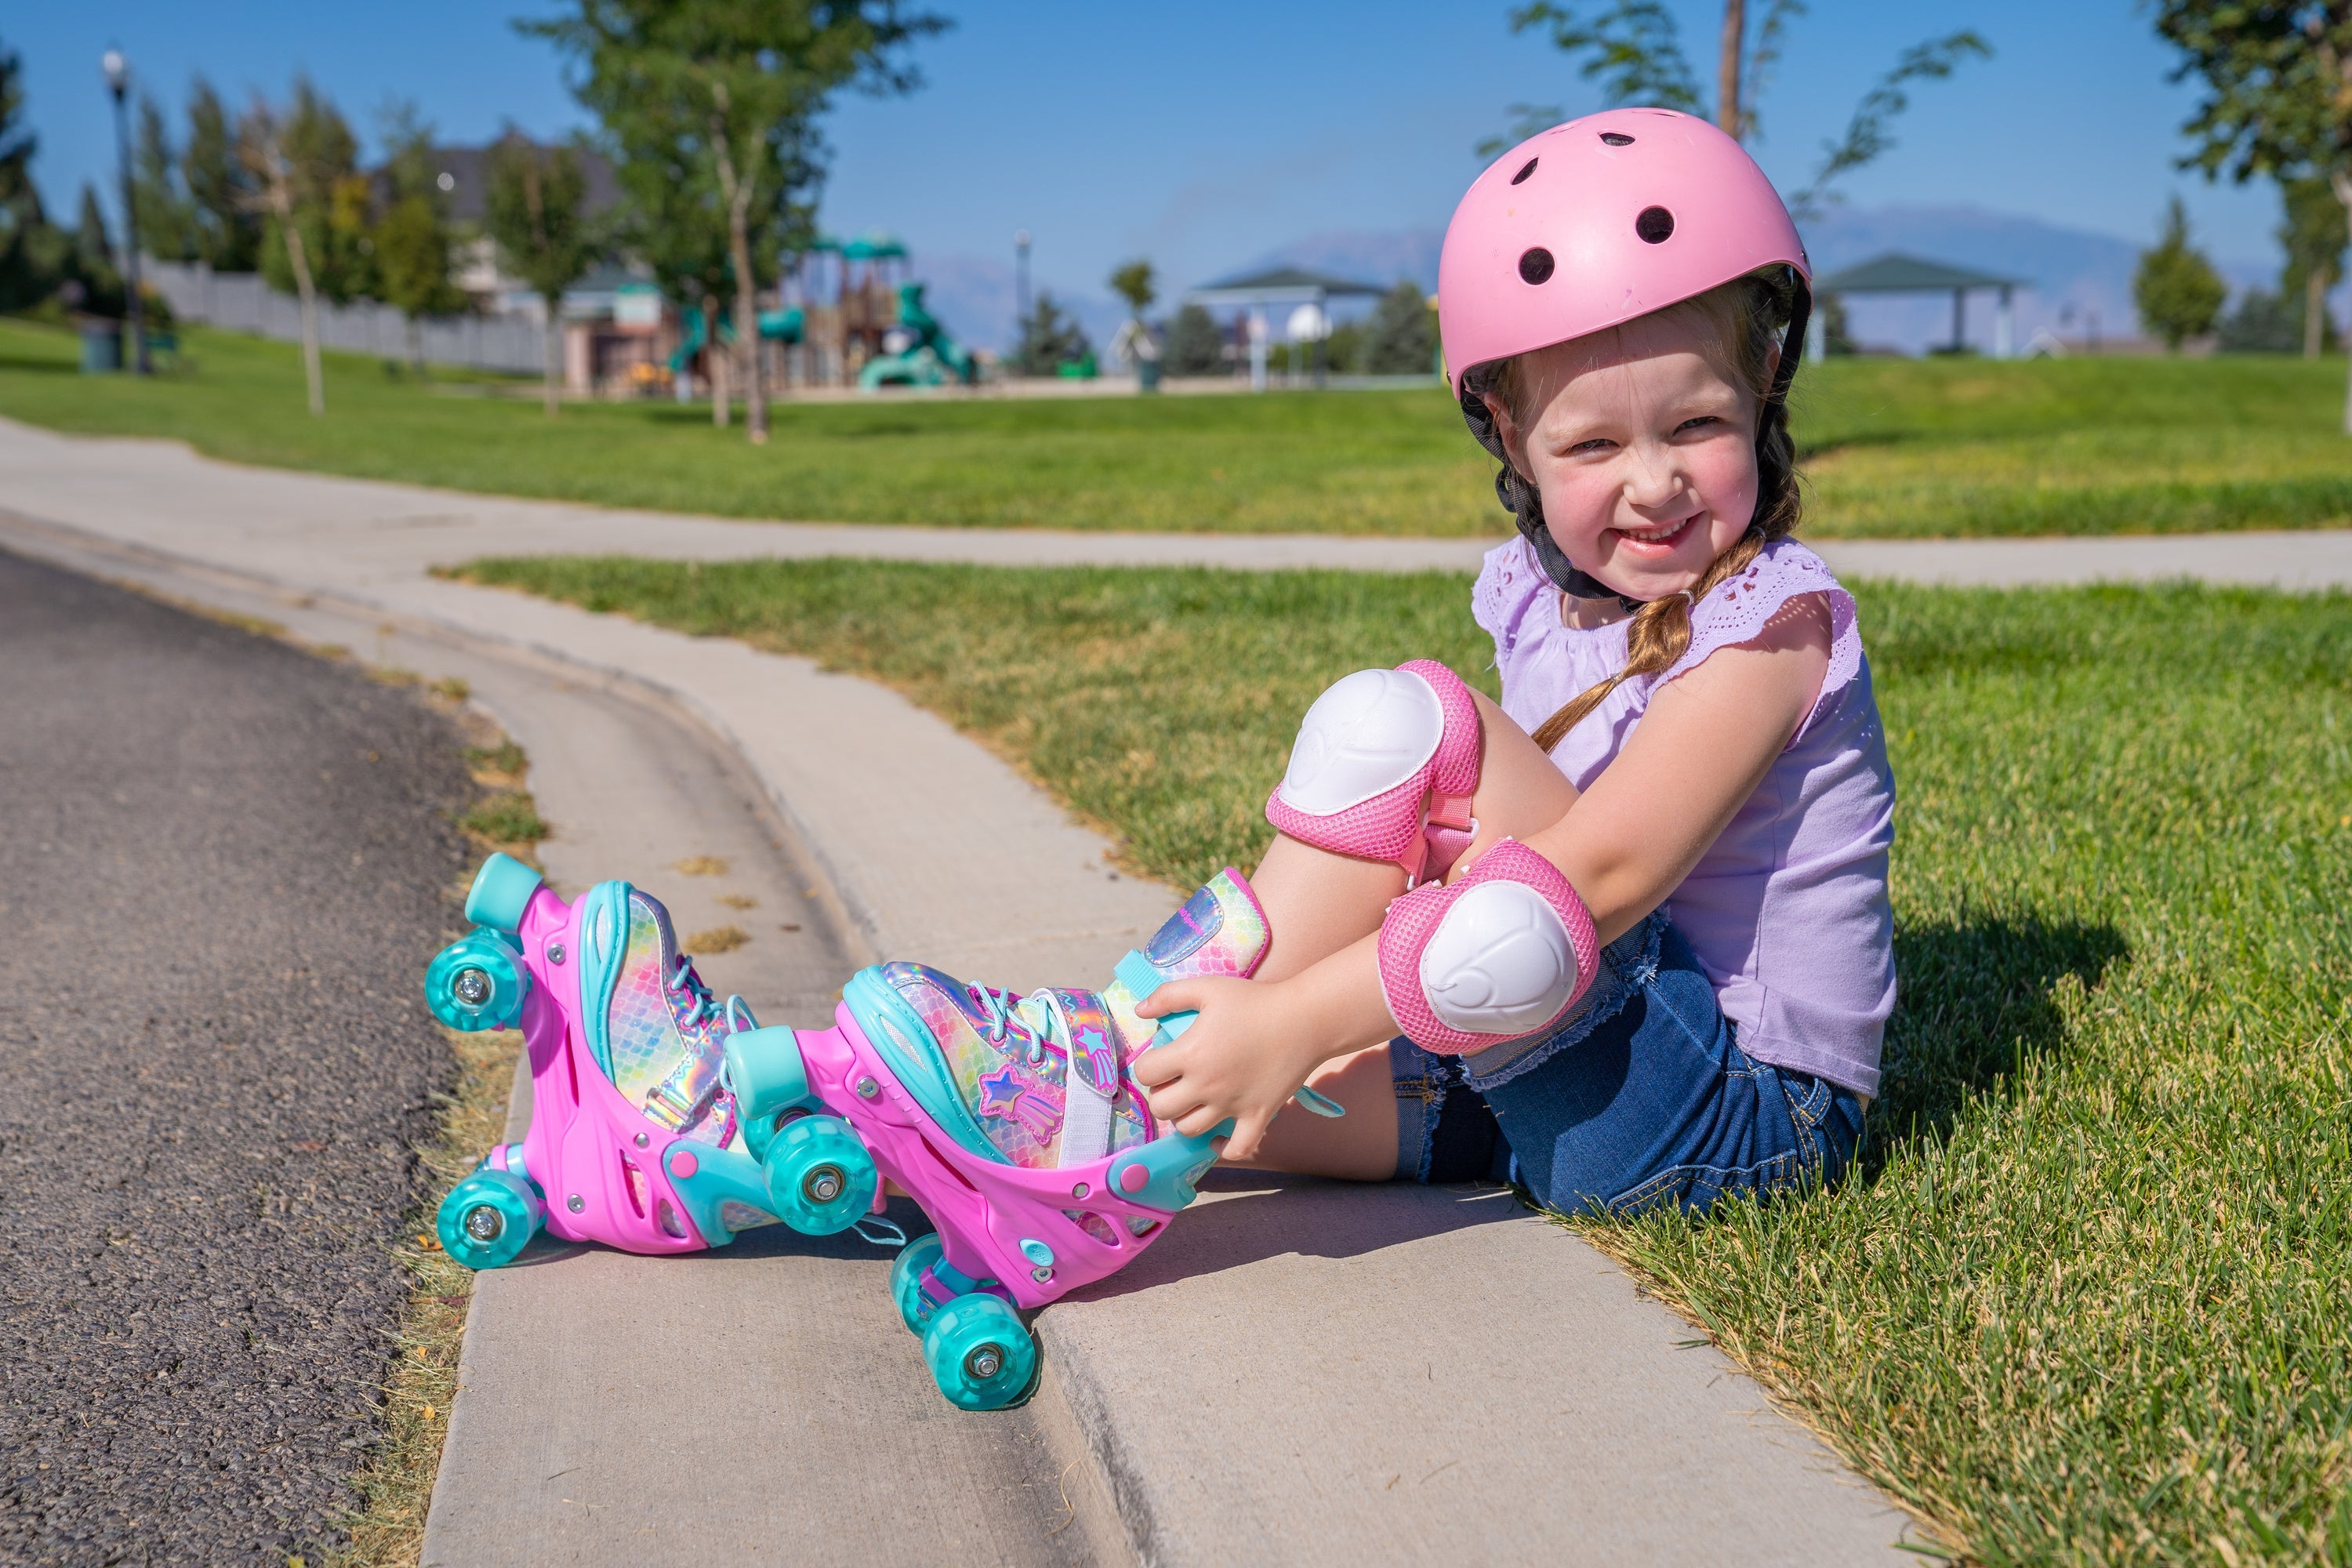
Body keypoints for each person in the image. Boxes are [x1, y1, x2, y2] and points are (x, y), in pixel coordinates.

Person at [1112, 107, 1896, 1216]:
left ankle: (1145, 1032)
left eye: (1698, 425)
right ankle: (1076, 1081)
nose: (1655, 482)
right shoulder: (1545, 599)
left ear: (1766, 380)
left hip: (1745, 1121)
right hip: (1581, 1059)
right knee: (1174, 1105)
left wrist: (1296, 1022)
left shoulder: (1771, 625)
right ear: (1504, 430)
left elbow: (1604, 874)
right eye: (1593, 445)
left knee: (1418, 729)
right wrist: (1259, 1047)